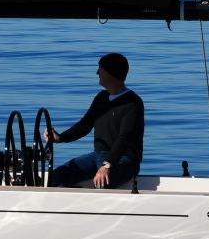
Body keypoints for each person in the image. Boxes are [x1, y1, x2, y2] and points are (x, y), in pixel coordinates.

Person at [46, 52, 144, 189]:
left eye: (100, 69)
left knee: (104, 181)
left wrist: (107, 165)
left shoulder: (132, 102)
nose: (97, 72)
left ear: (111, 72)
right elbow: (85, 124)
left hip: (124, 160)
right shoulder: (101, 98)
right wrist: (61, 137)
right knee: (57, 176)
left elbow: (124, 138)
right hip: (98, 155)